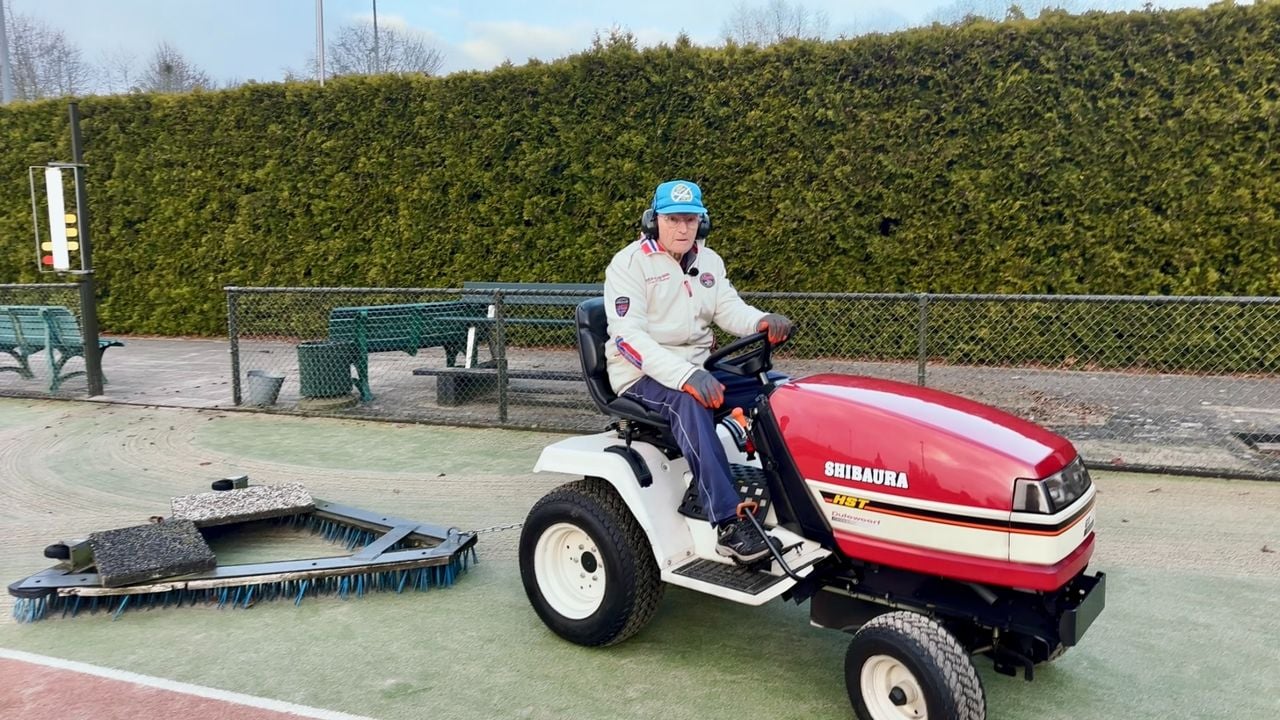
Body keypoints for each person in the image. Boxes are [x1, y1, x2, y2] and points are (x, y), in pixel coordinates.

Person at [603, 179, 792, 563]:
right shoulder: (628, 265)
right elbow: (628, 338)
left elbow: (728, 308)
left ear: (701, 223)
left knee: (777, 389)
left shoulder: (709, 261)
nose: (682, 228)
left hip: (699, 368)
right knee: (689, 406)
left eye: (690, 219)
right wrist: (685, 377)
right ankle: (727, 525)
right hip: (641, 375)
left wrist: (761, 321)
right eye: (673, 219)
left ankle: (795, 487)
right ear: (654, 220)